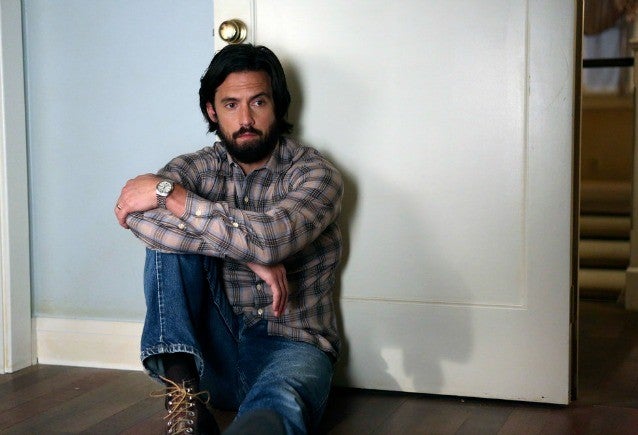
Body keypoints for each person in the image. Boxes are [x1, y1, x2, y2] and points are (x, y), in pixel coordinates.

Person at [114, 43, 343, 435]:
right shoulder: (197, 168)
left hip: (291, 343)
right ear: (212, 111)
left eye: (259, 102)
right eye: (231, 105)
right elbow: (137, 217)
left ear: (278, 107)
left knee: (281, 402)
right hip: (212, 356)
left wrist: (174, 197)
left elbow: (270, 241)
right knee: (166, 242)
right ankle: (182, 395)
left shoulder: (316, 174)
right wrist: (249, 254)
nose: (246, 119)